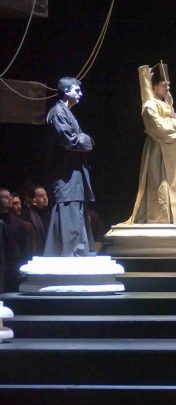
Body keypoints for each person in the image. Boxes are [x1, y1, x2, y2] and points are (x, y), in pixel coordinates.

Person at [126, 61, 176, 224]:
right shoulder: (150, 105)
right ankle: (160, 219)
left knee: (174, 184)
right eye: (163, 85)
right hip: (157, 150)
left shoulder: (166, 104)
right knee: (159, 184)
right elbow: (159, 127)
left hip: (171, 150)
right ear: (154, 86)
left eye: (168, 85)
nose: (167, 88)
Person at [43, 76, 96, 257]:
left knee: (76, 212)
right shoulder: (58, 112)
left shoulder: (66, 112)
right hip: (65, 174)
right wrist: (86, 139)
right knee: (69, 212)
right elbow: (70, 140)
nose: (80, 93)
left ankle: (77, 252)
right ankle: (69, 253)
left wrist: (84, 139)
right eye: (77, 90)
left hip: (72, 173)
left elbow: (79, 139)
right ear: (66, 91)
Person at [0, 187, 34, 291]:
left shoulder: (19, 224)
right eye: (5, 197)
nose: (9, 199)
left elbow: (25, 249)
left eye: (10, 196)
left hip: (13, 269)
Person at [20, 185, 49, 255]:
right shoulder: (27, 215)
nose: (45, 198)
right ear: (34, 200)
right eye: (41, 196)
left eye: (46, 195)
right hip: (35, 253)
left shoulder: (51, 213)